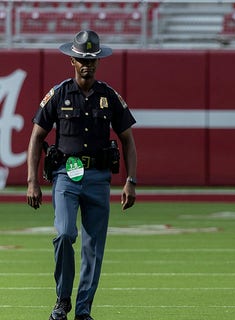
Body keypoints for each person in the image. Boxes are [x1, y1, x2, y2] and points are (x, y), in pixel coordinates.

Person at [26, 30, 138, 320]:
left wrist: (131, 180)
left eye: (91, 59)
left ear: (98, 62)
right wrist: (32, 181)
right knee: (64, 234)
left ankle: (84, 310)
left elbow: (127, 139)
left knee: (93, 247)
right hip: (66, 175)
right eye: (81, 59)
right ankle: (63, 300)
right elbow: (37, 136)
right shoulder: (59, 93)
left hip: (99, 178)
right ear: (72, 61)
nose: (86, 64)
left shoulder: (109, 96)